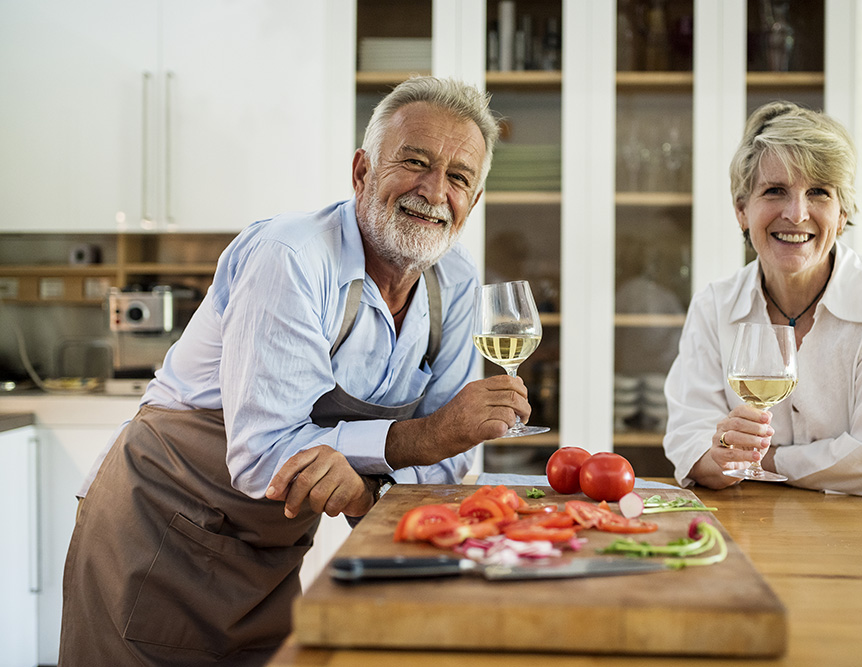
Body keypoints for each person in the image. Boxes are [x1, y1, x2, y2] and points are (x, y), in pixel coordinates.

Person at [59, 76, 525, 666]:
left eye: (459, 177)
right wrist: (422, 440)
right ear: (362, 172)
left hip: (271, 549)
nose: (434, 191)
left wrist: (370, 489)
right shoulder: (293, 257)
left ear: (473, 203)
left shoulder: (454, 281)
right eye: (414, 162)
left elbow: (453, 462)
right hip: (160, 528)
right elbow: (263, 453)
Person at [663, 100, 862, 497]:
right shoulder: (714, 306)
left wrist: (758, 460)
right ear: (742, 210)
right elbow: (688, 444)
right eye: (775, 191)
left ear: (842, 214)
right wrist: (720, 457)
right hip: (753, 526)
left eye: (818, 192)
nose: (796, 214)